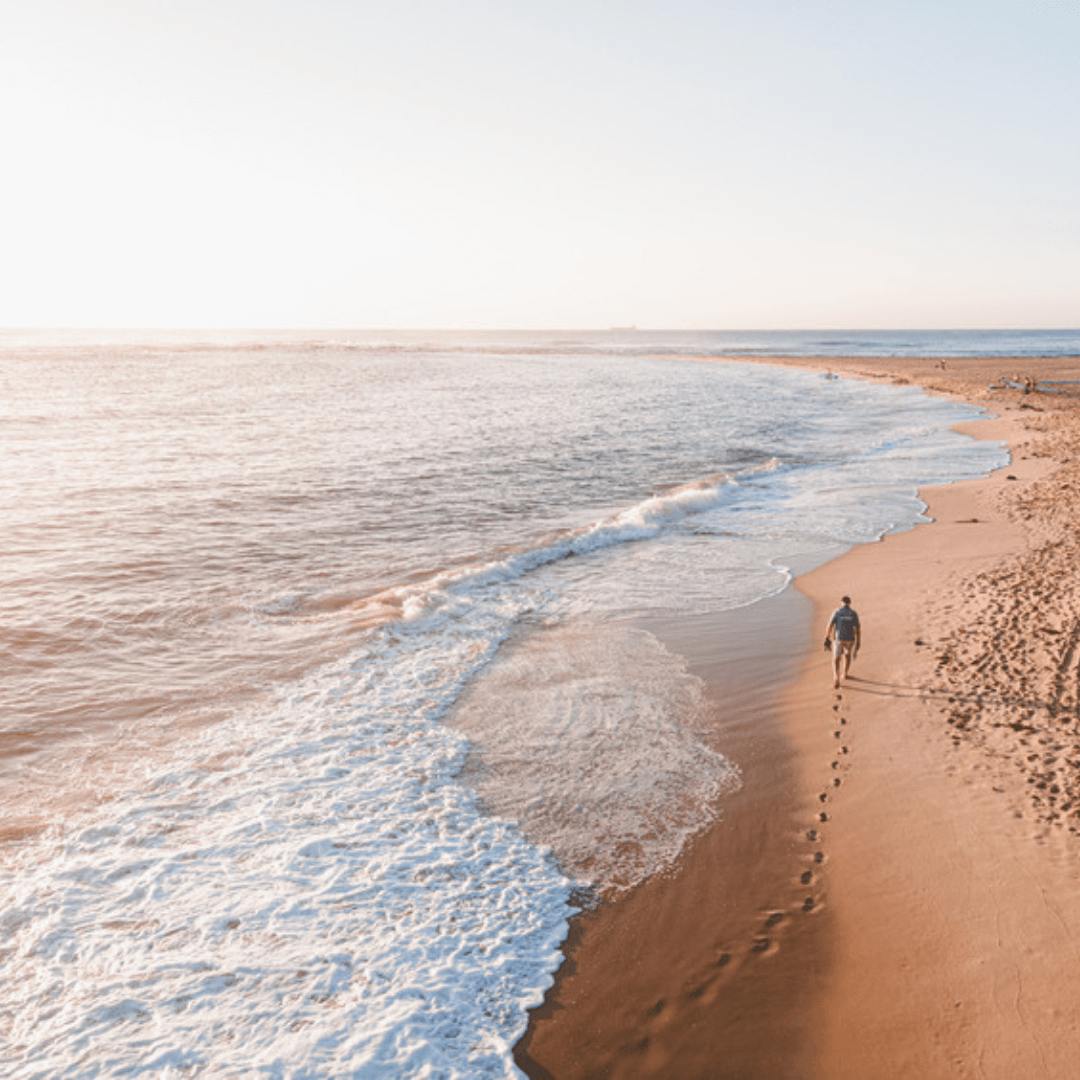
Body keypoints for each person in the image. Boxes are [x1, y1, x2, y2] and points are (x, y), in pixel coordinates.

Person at [824, 595, 861, 689]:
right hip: (850, 639)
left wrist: (827, 637)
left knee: (836, 658)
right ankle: (845, 674)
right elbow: (857, 629)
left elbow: (830, 625)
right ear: (849, 603)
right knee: (847, 655)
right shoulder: (853, 613)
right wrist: (858, 641)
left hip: (839, 639)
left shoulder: (837, 612)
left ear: (842, 602)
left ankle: (836, 677)